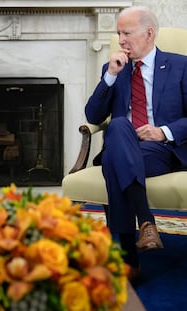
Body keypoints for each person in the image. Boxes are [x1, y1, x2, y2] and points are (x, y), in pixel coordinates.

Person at [85, 6, 187, 285]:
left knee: (112, 162)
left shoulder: (181, 65)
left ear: (149, 33)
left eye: (127, 33)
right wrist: (110, 78)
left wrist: (163, 132)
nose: (121, 40)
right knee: (118, 125)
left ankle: (129, 258)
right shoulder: (113, 69)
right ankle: (146, 222)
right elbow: (93, 117)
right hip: (126, 146)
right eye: (118, 33)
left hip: (164, 150)